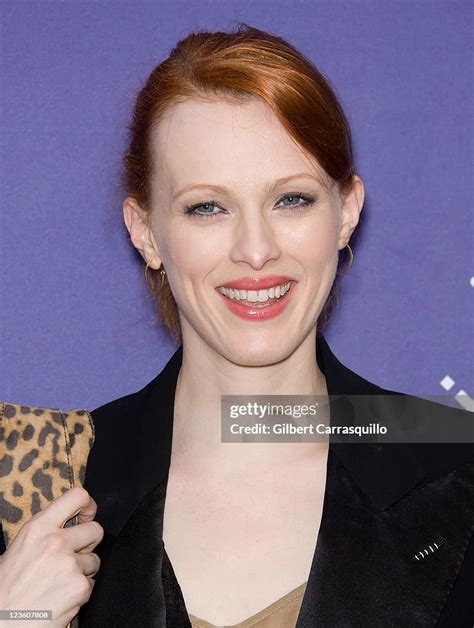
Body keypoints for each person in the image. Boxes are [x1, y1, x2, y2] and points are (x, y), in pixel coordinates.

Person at [1, 23, 473, 628]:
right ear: (146, 231)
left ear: (347, 212)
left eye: (291, 200)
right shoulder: (41, 485)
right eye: (208, 207)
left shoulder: (455, 465)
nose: (256, 250)